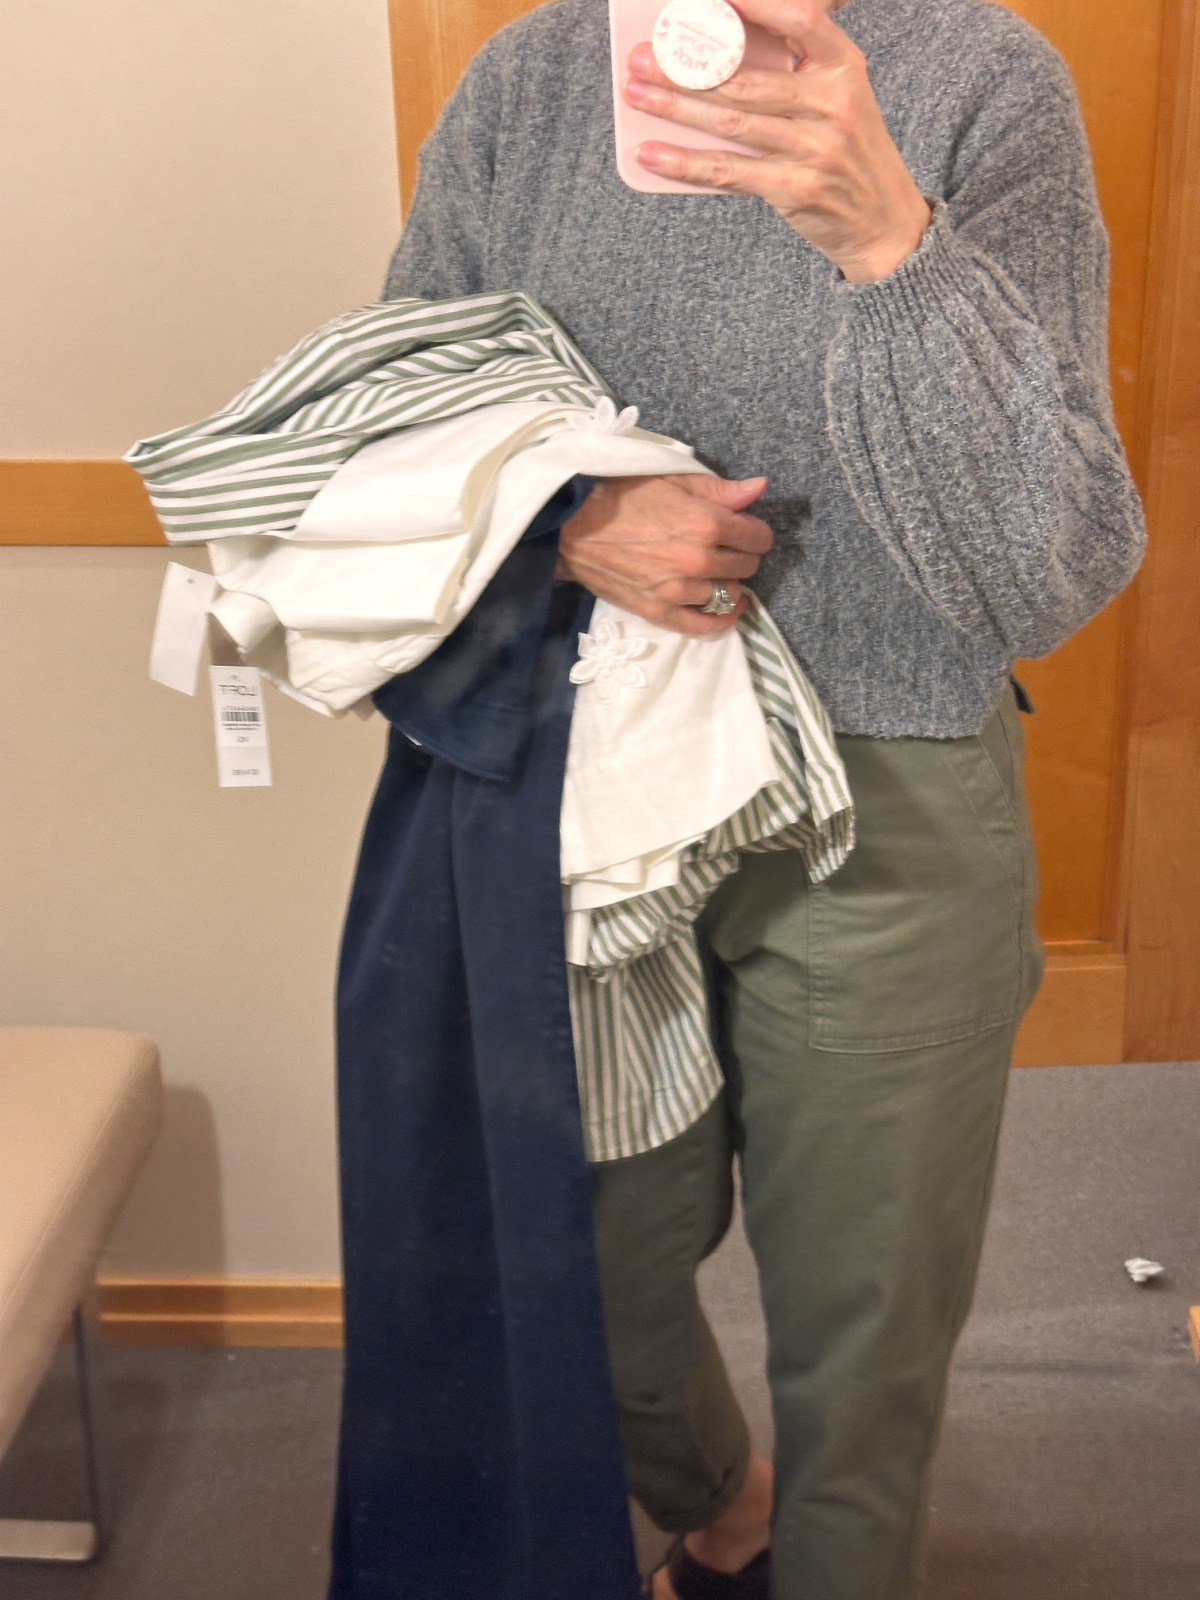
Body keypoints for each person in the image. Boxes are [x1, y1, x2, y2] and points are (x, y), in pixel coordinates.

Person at [386, 0, 1146, 1595]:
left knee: (866, 1333)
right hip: (586, 788)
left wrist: (890, 244)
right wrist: (567, 521)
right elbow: (407, 414)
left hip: (890, 793)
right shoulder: (529, 81)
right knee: (577, 1263)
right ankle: (727, 1503)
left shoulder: (984, 80)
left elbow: (1044, 570)